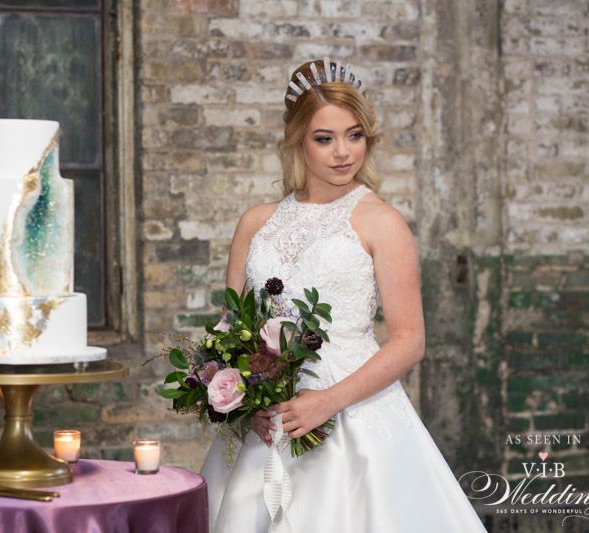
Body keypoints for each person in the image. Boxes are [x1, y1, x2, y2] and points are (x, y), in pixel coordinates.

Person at [199, 58, 486, 532]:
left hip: (356, 420)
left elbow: (409, 340)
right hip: (269, 426)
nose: (343, 153)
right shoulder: (256, 222)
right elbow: (231, 329)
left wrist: (328, 401)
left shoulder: (381, 222)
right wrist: (247, 408)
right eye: (324, 138)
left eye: (355, 135)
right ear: (297, 140)